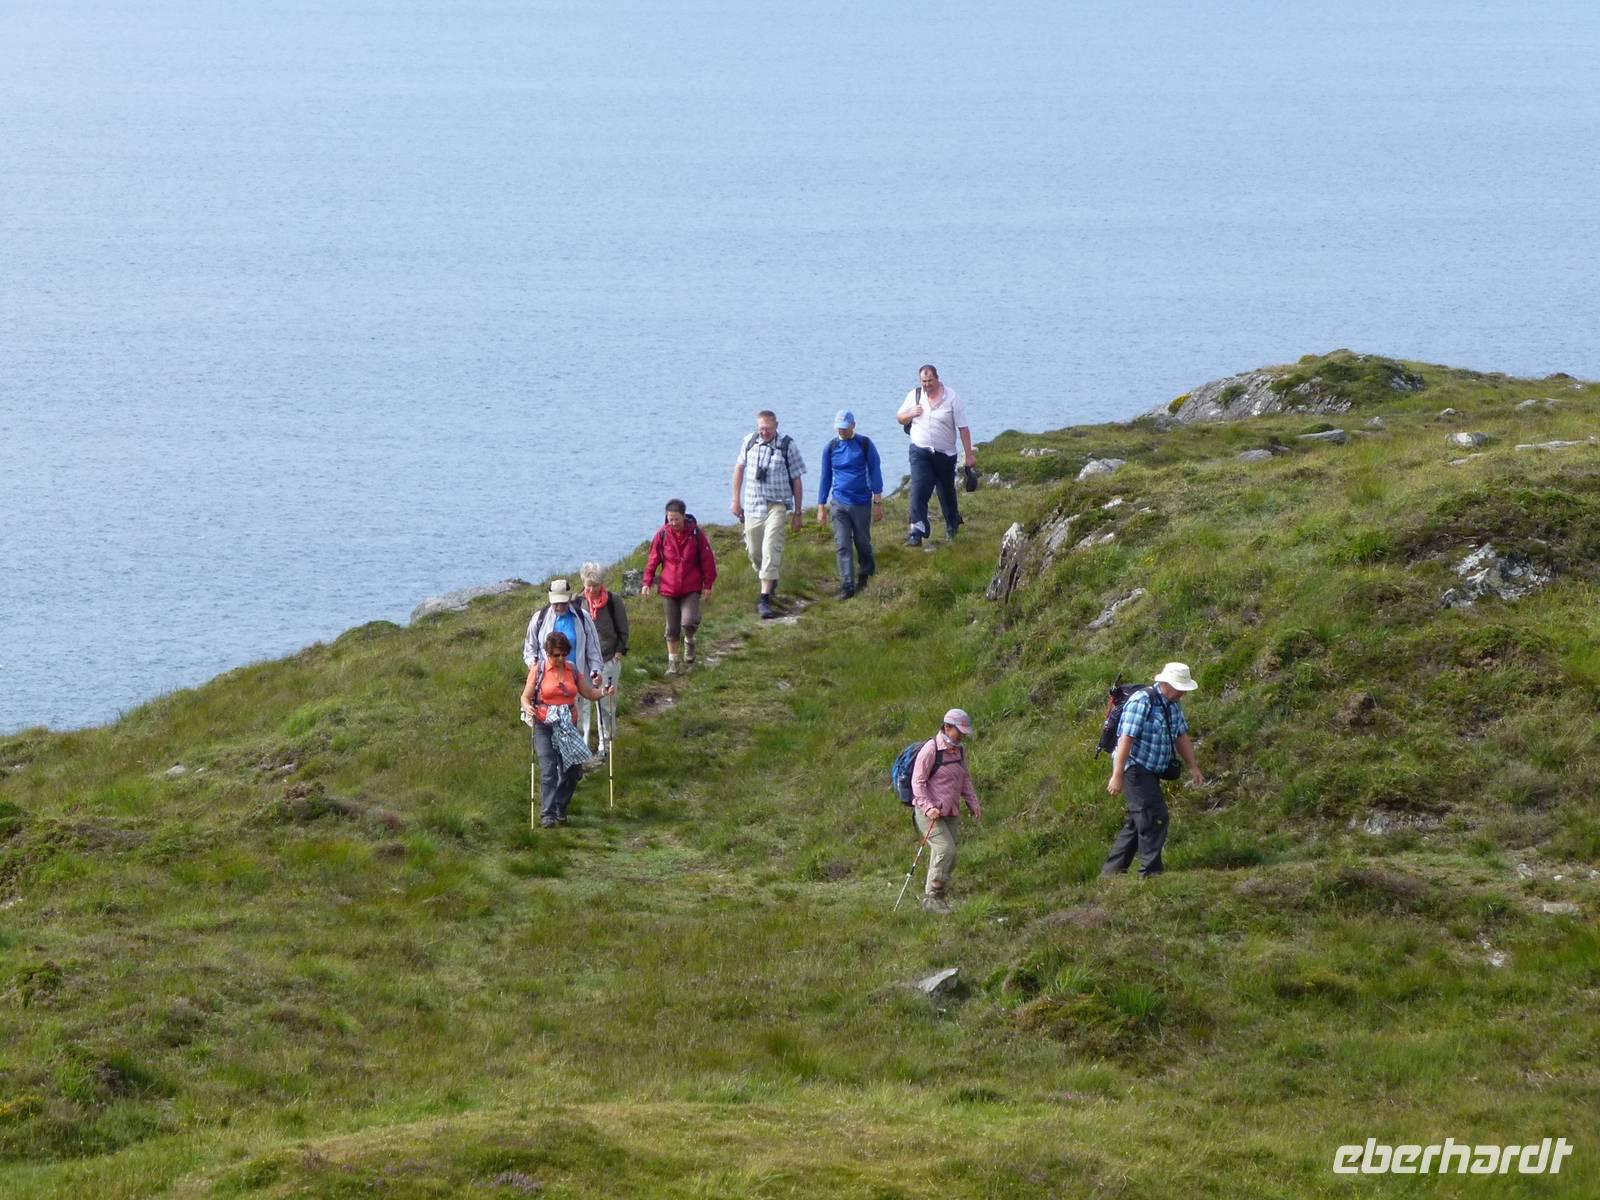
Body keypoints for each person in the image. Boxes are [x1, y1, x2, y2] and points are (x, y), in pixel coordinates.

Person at [1102, 662, 1205, 878]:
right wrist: (1117, 775)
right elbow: (1126, 739)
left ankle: (1110, 875)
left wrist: (1193, 767)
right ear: (1165, 683)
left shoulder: (1172, 704)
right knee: (1154, 816)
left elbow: (1181, 736)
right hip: (1134, 768)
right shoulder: (1142, 701)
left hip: (1151, 771)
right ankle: (1150, 874)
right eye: (1180, 688)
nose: (1183, 693)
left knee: (1137, 821)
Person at [520, 631, 613, 827]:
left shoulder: (572, 670)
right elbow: (525, 697)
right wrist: (528, 707)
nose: (560, 659)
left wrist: (604, 691)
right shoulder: (539, 670)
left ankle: (560, 806)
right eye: (556, 655)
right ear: (548, 653)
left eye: (563, 654)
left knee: (573, 771)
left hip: (567, 726)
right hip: (544, 725)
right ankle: (548, 815)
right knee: (548, 768)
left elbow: (588, 693)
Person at [730, 410, 805, 619]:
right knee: (755, 551)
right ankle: (770, 578)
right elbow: (738, 469)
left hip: (777, 505)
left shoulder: (787, 445)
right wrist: (735, 500)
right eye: (761, 429)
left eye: (768, 429)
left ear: (776, 426)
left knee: (771, 546)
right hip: (753, 505)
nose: (764, 433)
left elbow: (797, 481)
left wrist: (798, 512)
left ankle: (764, 599)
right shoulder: (749, 442)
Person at [910, 708, 982, 914]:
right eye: (959, 731)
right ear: (947, 727)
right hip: (928, 813)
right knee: (945, 850)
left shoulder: (959, 750)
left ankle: (934, 898)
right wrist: (928, 807)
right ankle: (933, 898)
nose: (962, 736)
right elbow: (918, 782)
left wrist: (973, 802)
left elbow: (964, 778)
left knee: (949, 855)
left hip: (949, 811)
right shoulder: (930, 750)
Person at [895, 364, 975, 547]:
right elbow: (900, 418)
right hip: (920, 451)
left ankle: (952, 524)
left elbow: (963, 428)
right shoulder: (914, 395)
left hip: (945, 454)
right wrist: (910, 413)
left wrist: (969, 455)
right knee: (918, 490)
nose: (927, 384)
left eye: (930, 380)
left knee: (946, 492)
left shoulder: (952, 398)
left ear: (938, 379)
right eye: (923, 381)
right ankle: (917, 530)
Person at [642, 499, 717, 675]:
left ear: (684, 516)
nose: (673, 523)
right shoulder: (662, 535)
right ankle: (673, 663)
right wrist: (647, 582)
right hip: (668, 588)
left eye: (676, 519)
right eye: (670, 519)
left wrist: (708, 585)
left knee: (688, 622)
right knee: (672, 627)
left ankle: (690, 642)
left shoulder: (696, 534)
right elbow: (653, 560)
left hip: (691, 587)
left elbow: (708, 561)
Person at [815, 409, 884, 600]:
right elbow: (825, 477)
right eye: (839, 428)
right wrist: (821, 506)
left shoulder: (865, 444)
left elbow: (875, 471)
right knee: (842, 544)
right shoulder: (830, 448)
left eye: (845, 428)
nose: (842, 431)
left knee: (862, 541)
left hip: (861, 502)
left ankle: (866, 573)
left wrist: (877, 502)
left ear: (853, 425)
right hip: (839, 503)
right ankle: (847, 585)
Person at [578, 562, 628, 757]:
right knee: (583, 704)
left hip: (608, 659)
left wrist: (618, 652)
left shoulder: (613, 601)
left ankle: (606, 743)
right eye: (588, 585)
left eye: (595, 585)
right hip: (584, 663)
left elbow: (623, 629)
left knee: (606, 703)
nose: (591, 590)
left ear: (602, 583)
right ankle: (583, 744)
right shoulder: (577, 601)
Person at [522, 578, 604, 686]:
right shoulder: (539, 618)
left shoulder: (583, 617)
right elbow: (529, 649)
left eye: (563, 603)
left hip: (577, 682)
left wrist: (596, 671)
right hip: (546, 683)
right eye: (556, 603)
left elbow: (594, 649)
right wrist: (534, 665)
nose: (560, 607)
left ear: (569, 598)